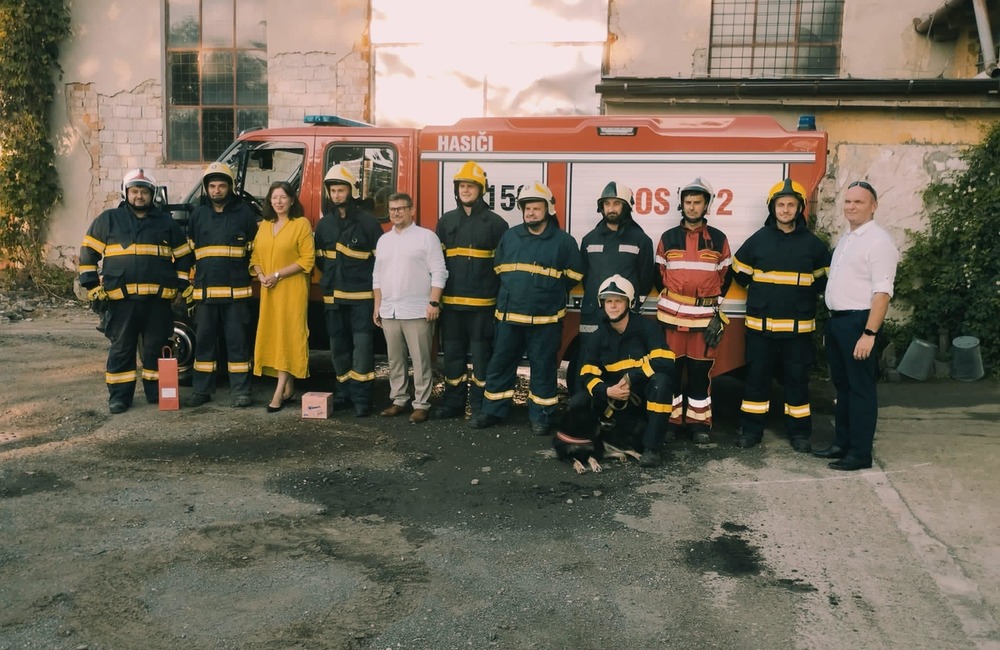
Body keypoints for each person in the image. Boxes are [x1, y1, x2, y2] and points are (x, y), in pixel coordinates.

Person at [471, 181, 583, 434]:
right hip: (509, 317)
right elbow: (499, 268)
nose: (531, 213)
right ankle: (492, 411)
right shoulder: (510, 236)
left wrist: (547, 291)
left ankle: (542, 417)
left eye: (536, 208)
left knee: (543, 367)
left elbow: (574, 274)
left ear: (548, 210)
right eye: (527, 208)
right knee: (500, 364)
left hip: (545, 321)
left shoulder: (563, 241)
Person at [78, 168, 194, 414]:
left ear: (153, 195)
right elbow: (88, 254)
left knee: (156, 348)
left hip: (157, 303)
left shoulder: (166, 223)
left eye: (144, 191)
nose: (139, 196)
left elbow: (184, 256)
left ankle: (155, 393)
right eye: (134, 191)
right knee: (122, 349)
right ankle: (120, 397)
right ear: (126, 192)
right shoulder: (109, 220)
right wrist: (93, 287)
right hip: (122, 302)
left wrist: (180, 286)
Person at [731, 179, 831, 451]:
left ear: (799, 208)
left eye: (791, 205)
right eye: (780, 204)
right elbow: (738, 272)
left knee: (797, 383)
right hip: (760, 331)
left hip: (798, 333)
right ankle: (751, 432)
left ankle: (800, 435)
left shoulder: (814, 246)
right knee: (756, 381)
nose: (785, 210)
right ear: (772, 208)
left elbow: (824, 281)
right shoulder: (758, 241)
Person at [814, 180, 899, 471]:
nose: (851, 206)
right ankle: (843, 443)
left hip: (859, 323)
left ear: (873, 206)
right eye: (848, 201)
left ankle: (860, 453)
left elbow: (882, 293)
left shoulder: (879, 242)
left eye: (859, 202)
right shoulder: (848, 238)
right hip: (839, 323)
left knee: (861, 390)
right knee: (843, 388)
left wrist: (869, 333)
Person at [654, 177, 732, 444]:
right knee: (671, 374)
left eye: (697, 202)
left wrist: (715, 314)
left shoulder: (719, 240)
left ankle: (700, 424)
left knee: (700, 375)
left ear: (706, 205)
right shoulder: (668, 238)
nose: (692, 207)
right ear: (681, 204)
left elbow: (725, 278)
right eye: (687, 202)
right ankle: (672, 422)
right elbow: (658, 275)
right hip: (671, 320)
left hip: (703, 321)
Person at [573, 275, 675, 467]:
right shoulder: (597, 336)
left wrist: (631, 377)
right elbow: (586, 374)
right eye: (608, 301)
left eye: (618, 301)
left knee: (661, 382)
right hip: (613, 403)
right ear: (602, 304)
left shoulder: (647, 329)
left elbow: (666, 361)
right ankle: (581, 444)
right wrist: (607, 391)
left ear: (629, 303)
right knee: (579, 400)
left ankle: (652, 449)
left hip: (641, 402)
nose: (612, 306)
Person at [434, 161, 508, 419]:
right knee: (452, 358)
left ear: (481, 190)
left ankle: (479, 407)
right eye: (462, 186)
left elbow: (502, 267)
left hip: (483, 307)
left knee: (481, 360)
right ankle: (453, 405)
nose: (466, 190)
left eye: (471, 186)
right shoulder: (446, 221)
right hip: (452, 306)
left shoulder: (496, 224)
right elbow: (437, 264)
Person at [184, 162, 259, 408]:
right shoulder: (197, 216)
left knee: (238, 344)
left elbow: (253, 252)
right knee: (204, 343)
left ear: (230, 188)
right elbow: (191, 253)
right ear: (206, 189)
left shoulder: (245, 216)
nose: (217, 190)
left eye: (222, 186)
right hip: (205, 294)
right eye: (212, 186)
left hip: (236, 295)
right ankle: (201, 390)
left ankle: (241, 392)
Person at [372, 192, 449, 424]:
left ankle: (422, 404)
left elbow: (439, 271)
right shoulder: (383, 240)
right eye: (392, 208)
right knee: (395, 360)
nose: (395, 212)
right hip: (389, 309)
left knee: (421, 360)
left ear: (411, 210)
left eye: (401, 208)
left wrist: (433, 302)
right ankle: (398, 399)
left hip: (418, 309)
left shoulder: (427, 237)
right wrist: (377, 306)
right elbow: (377, 276)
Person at [313, 164, 382, 417]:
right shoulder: (324, 225)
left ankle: (363, 399)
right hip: (334, 297)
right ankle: (343, 394)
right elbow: (320, 258)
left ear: (350, 191)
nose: (337, 195)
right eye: (333, 190)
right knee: (338, 349)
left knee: (362, 350)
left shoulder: (369, 223)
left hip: (362, 299)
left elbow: (378, 261)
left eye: (341, 190)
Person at [573, 181, 654, 392]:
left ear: (626, 207)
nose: (611, 208)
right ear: (601, 207)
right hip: (593, 314)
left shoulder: (641, 240)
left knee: (624, 362)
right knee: (588, 363)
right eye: (607, 203)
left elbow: (646, 278)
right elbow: (586, 276)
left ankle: (621, 413)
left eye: (617, 203)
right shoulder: (589, 239)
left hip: (624, 315)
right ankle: (584, 409)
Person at [249, 182, 315, 412]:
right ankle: (288, 388)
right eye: (274, 197)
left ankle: (278, 393)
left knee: (288, 335)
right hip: (270, 289)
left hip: (292, 289)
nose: (278, 202)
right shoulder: (265, 226)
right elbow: (255, 256)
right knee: (275, 335)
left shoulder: (301, 224)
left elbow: (307, 260)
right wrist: (262, 275)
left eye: (283, 197)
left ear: (292, 200)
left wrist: (277, 274)